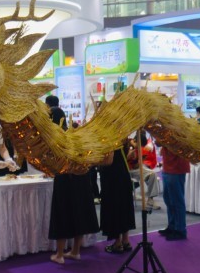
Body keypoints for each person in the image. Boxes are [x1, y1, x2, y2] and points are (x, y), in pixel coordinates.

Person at [47, 95, 99, 264]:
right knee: (79, 214)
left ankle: (60, 254)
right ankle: (75, 251)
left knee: (62, 214)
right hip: (81, 179)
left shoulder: (56, 139)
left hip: (64, 179)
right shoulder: (75, 135)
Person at [99, 142, 135, 254]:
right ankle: (126, 240)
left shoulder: (110, 139)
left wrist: (92, 162)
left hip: (112, 178)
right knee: (124, 206)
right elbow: (129, 155)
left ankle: (117, 243)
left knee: (114, 207)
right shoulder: (122, 138)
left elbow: (108, 161)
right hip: (123, 174)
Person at [158, 144, 190, 241]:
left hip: (176, 167)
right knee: (168, 200)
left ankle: (180, 230)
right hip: (168, 166)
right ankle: (172, 226)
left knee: (177, 201)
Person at [126, 130, 160, 211]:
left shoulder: (141, 147)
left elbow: (136, 166)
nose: (139, 148)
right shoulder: (126, 144)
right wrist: (129, 155)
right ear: (134, 141)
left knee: (152, 174)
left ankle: (150, 199)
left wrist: (140, 160)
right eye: (139, 145)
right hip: (124, 170)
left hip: (135, 170)